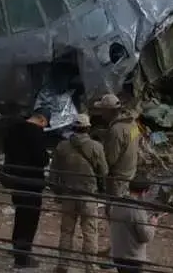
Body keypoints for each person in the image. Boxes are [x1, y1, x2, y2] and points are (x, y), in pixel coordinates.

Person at [49, 113, 107, 273]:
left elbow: (53, 173)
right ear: (88, 128)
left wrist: (58, 192)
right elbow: (103, 172)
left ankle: (63, 265)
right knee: (90, 232)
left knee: (66, 232)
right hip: (88, 195)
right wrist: (101, 190)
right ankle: (90, 267)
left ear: (72, 127)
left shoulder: (62, 146)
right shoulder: (96, 147)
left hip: (68, 194)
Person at [0, 110, 50, 270]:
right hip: (31, 182)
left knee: (20, 215)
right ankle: (22, 257)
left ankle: (17, 248)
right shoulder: (36, 133)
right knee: (29, 220)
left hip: (15, 180)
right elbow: (41, 159)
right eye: (45, 124)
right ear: (41, 119)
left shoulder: (13, 129)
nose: (44, 127)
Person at [108, 178, 162, 273]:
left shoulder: (115, 203)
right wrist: (152, 225)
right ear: (143, 192)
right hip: (132, 257)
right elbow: (146, 237)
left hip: (117, 254)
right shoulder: (137, 209)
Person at [92, 94, 139, 198]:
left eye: (102, 110)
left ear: (108, 111)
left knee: (115, 204)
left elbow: (110, 159)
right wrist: (105, 134)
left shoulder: (116, 130)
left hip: (118, 177)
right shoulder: (132, 123)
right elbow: (129, 140)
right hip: (130, 170)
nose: (101, 113)